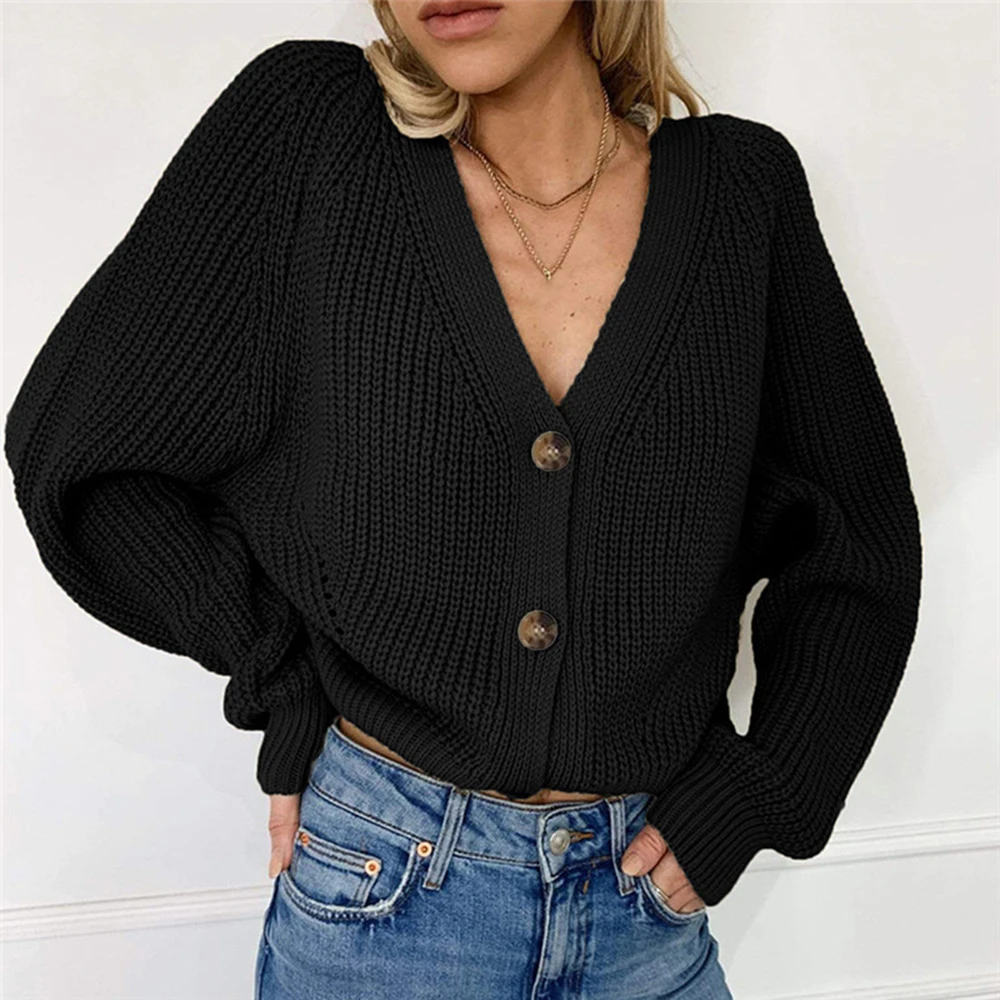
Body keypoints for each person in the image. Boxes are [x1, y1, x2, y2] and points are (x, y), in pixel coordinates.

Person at [4, 0, 922, 996]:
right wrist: (279, 669)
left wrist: (766, 786)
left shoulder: (741, 192)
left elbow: (855, 542)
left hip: (643, 919)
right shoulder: (313, 133)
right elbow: (82, 448)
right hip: (382, 901)